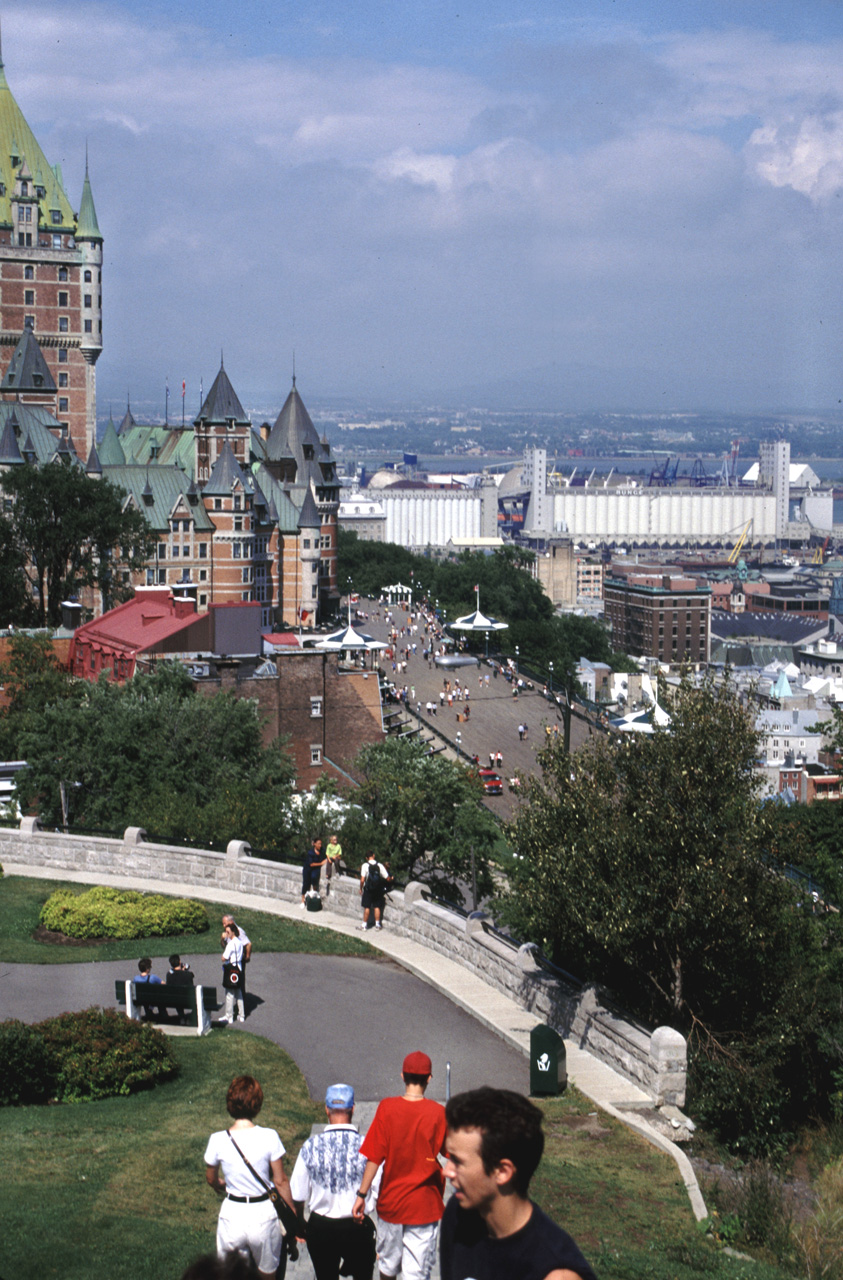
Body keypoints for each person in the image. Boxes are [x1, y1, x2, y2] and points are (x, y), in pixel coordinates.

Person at [439, 1087, 597, 1280]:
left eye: (457, 1161)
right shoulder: (457, 1215)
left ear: (502, 1172)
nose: (446, 1171)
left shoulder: (554, 1273)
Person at [353, 1050, 446, 1280]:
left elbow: (375, 1156)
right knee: (416, 1272)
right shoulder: (438, 1113)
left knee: (387, 1267)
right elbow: (455, 1153)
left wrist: (362, 1194)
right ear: (429, 1079)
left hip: (391, 1203)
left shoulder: (386, 1108)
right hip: (423, 1206)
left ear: (403, 1076)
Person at [204, 1075, 296, 1280]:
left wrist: (222, 1185)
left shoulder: (217, 1139)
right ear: (257, 1104)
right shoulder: (270, 1136)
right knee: (268, 1274)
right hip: (263, 1215)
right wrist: (292, 1214)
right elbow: (280, 1181)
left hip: (232, 1215)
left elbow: (211, 1178)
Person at [290, 1083, 378, 1280]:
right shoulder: (367, 1145)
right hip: (357, 1226)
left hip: (321, 1227)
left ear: (326, 1109)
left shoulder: (311, 1146)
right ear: (353, 1108)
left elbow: (298, 1193)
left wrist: (299, 1222)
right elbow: (378, 1189)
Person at [221, 922, 246, 1025]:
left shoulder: (231, 944)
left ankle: (229, 1016)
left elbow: (224, 958)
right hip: (239, 968)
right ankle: (241, 1015)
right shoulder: (239, 942)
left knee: (229, 993)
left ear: (232, 932)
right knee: (238, 992)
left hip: (231, 968)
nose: (226, 933)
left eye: (228, 932)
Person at [360, 852, 390, 931]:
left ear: (366, 858)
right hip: (377, 890)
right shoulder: (380, 865)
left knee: (367, 907)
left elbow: (362, 879)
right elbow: (387, 878)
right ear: (373, 856)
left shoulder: (365, 865)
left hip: (368, 889)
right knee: (377, 907)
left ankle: (364, 925)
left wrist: (360, 888)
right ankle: (377, 925)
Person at [302, 837, 327, 906]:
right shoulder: (310, 852)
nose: (320, 845)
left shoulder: (322, 850)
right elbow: (311, 864)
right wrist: (321, 863)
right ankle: (302, 901)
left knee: (314, 878)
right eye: (318, 844)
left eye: (320, 844)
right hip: (308, 869)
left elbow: (327, 854)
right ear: (314, 844)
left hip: (316, 869)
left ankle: (314, 894)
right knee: (306, 884)